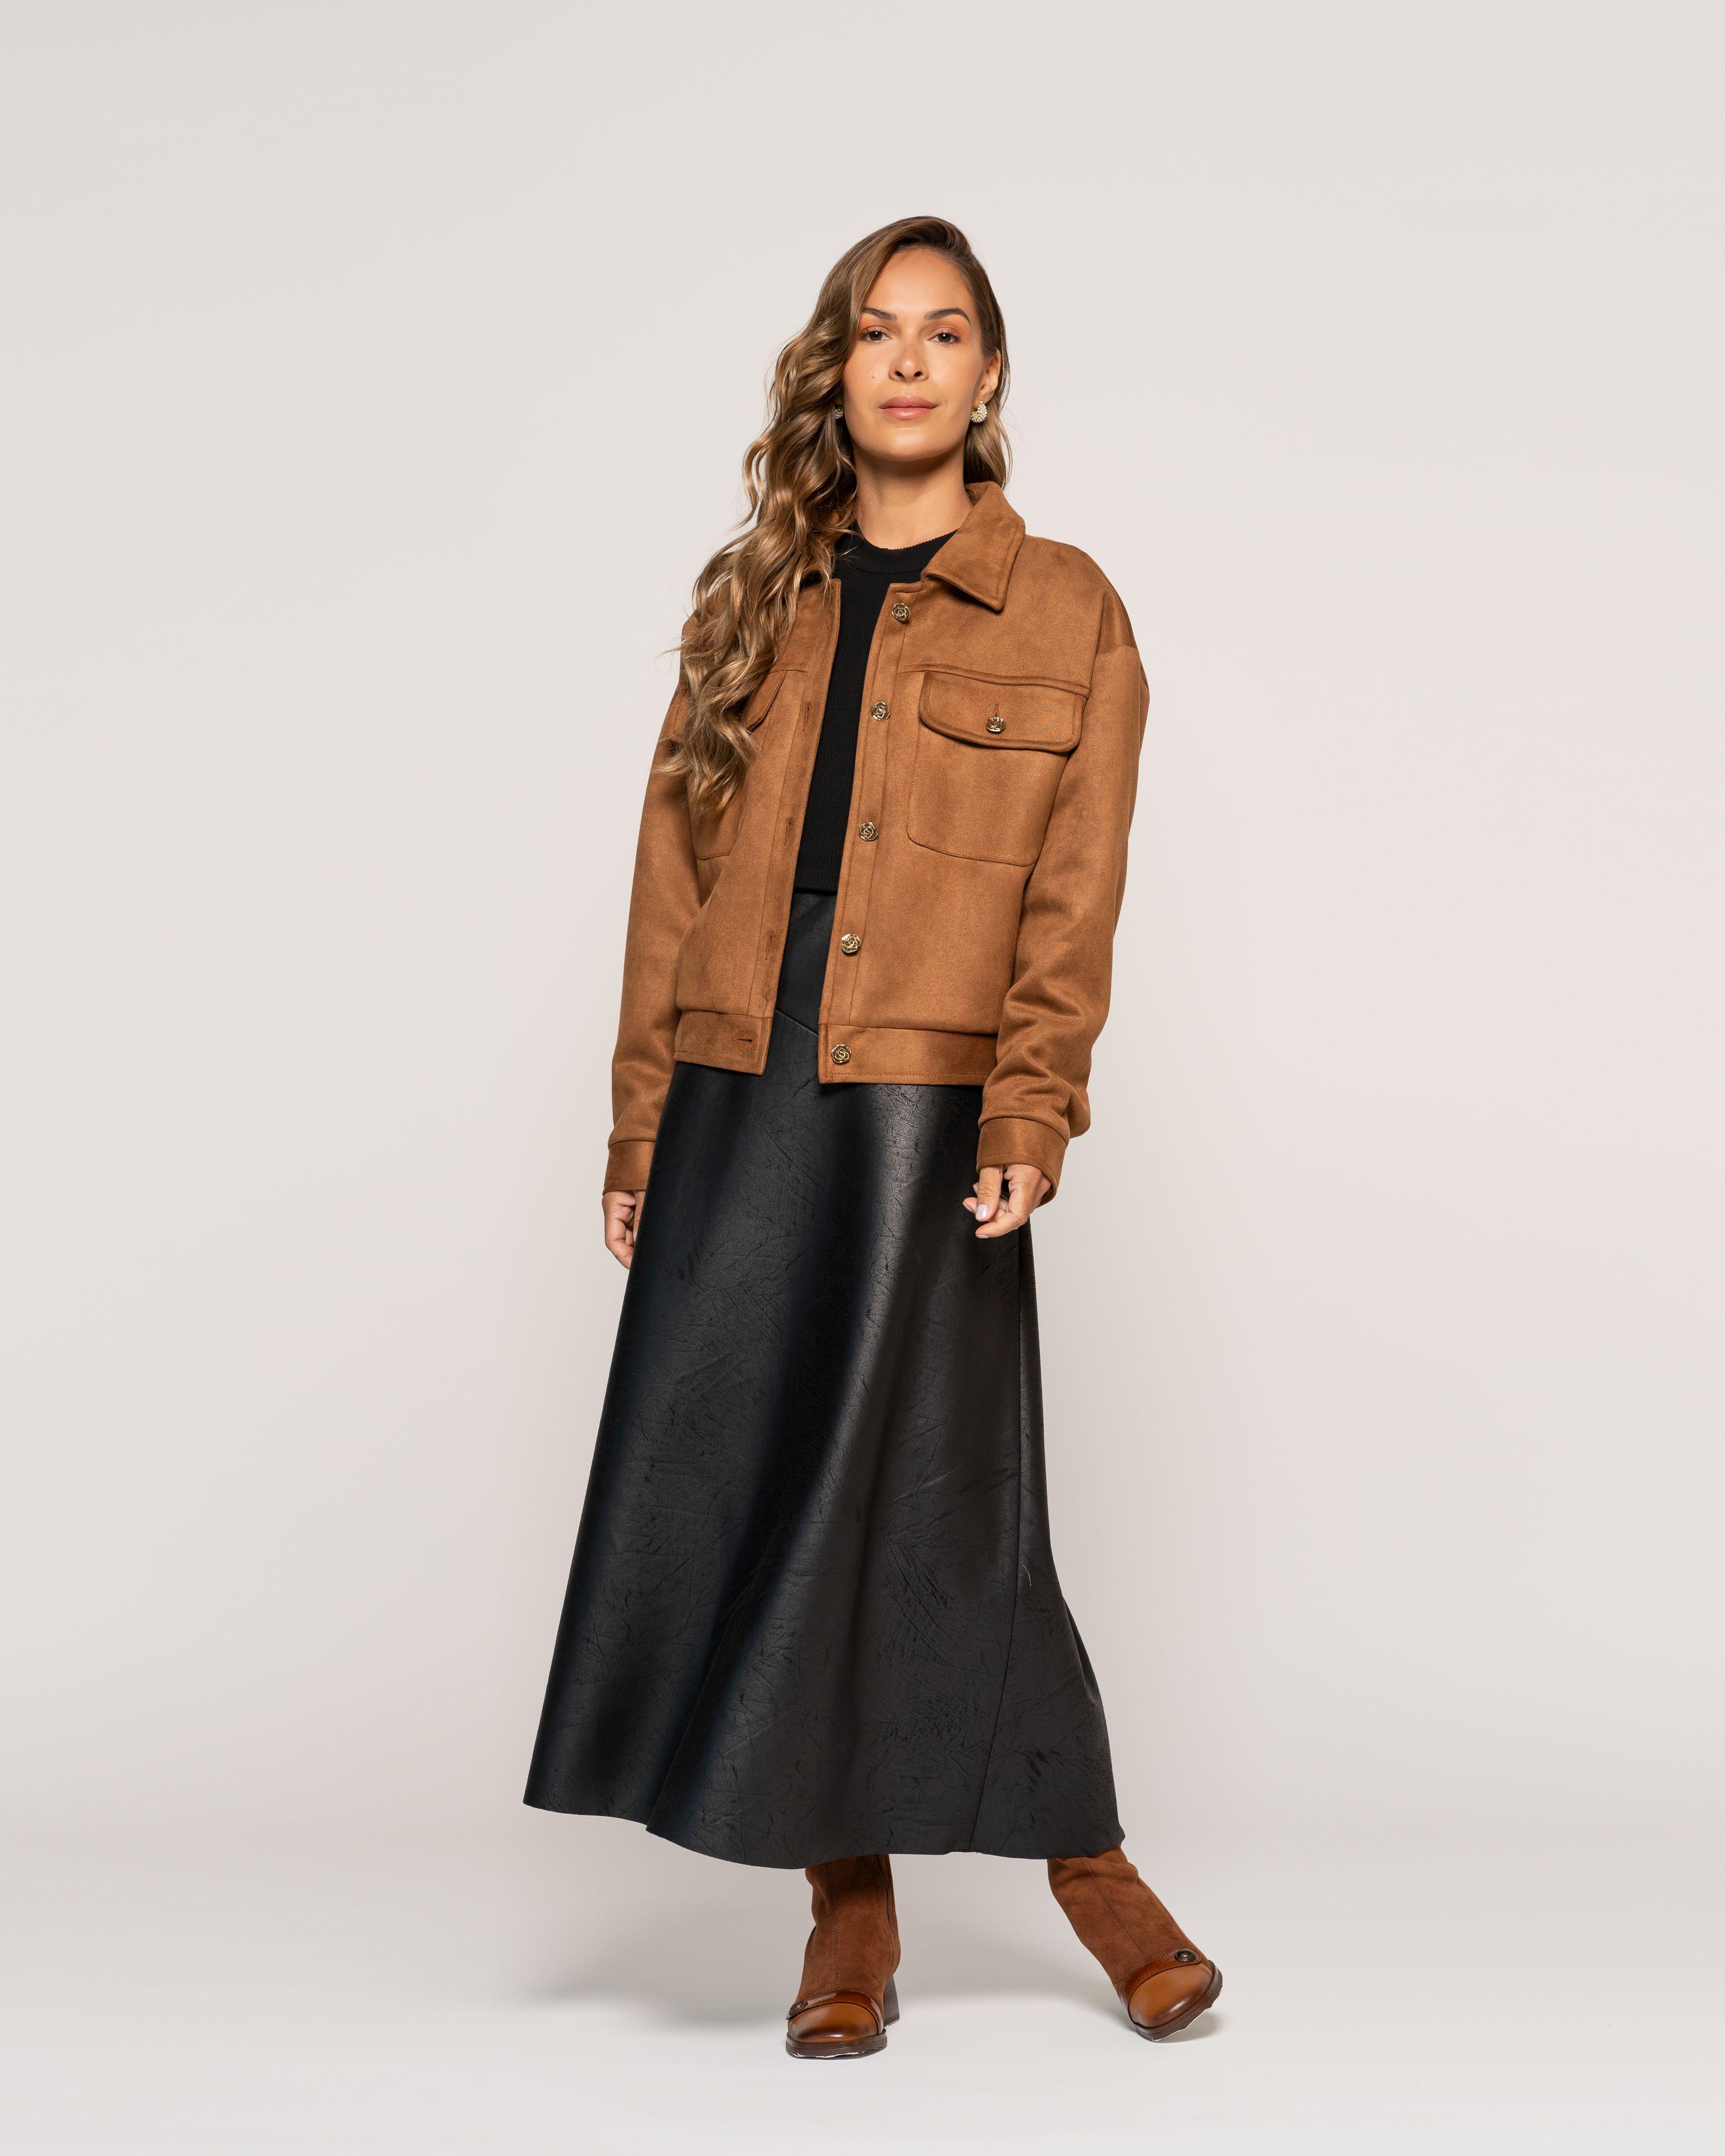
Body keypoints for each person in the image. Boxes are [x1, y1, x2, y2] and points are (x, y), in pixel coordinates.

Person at [525, 216, 1220, 2057]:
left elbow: (1074, 894)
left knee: (941, 1497)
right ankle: (849, 1901)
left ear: (990, 377)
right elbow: (671, 882)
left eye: (947, 332)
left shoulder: (1066, 607)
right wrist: (640, 1120)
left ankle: (1093, 1868)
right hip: (739, 1087)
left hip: (922, 1100)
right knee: (770, 1487)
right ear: (835, 372)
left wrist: (1033, 1100)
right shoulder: (755, 598)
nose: (909, 361)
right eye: (877, 332)